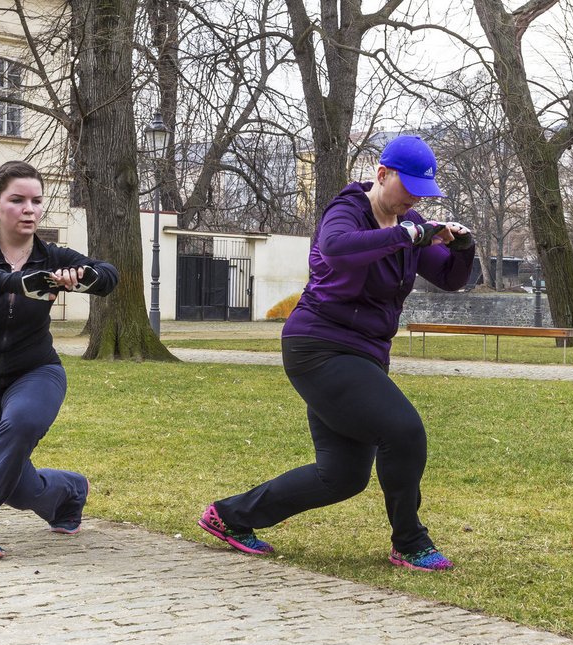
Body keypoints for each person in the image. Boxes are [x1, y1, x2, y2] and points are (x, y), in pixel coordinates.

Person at [198, 135, 475, 571]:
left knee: (341, 476)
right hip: (319, 347)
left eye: (423, 194)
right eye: (409, 190)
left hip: (365, 355)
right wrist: (408, 234)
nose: (414, 201)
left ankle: (230, 516)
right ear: (382, 175)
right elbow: (338, 248)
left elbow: (449, 277)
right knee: (404, 431)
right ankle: (409, 541)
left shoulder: (409, 222)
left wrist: (463, 248)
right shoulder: (346, 211)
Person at [0, 160, 119, 561]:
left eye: (36, 201)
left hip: (36, 372)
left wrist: (84, 277)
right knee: (18, 490)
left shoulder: (51, 256)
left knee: (21, 422)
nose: (29, 209)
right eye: (17, 200)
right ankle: (71, 492)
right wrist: (17, 282)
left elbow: (108, 275)